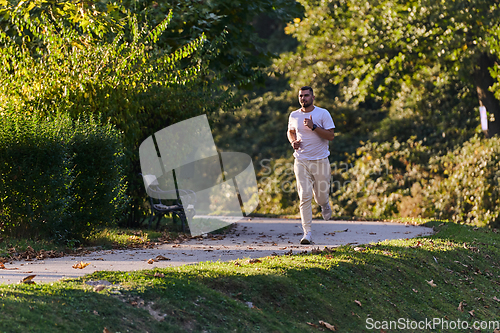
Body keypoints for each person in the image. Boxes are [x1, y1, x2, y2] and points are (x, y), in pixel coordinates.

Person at [287, 86, 335, 244]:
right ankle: (307, 233)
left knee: (320, 197)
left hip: (320, 161)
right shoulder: (294, 115)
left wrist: (314, 127)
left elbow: (330, 136)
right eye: (301, 96)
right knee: (305, 196)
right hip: (301, 161)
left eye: (306, 96)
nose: (303, 98)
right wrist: (293, 141)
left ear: (313, 97)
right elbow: (291, 131)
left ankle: (325, 204)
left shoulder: (322, 113)